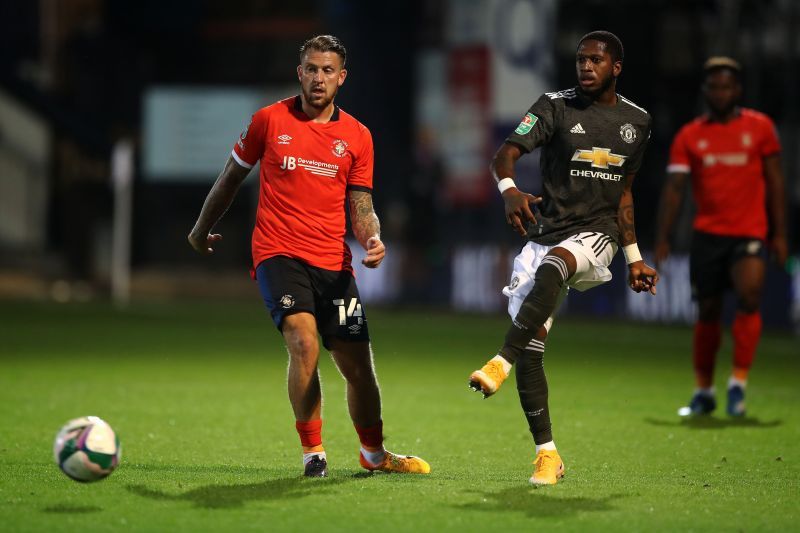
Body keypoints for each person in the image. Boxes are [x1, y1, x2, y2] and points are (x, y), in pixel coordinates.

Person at [188, 35, 430, 478]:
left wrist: (372, 238)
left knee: (359, 369)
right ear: (300, 72)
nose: (319, 78)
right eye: (311, 69)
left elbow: (361, 205)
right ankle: (312, 452)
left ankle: (374, 455)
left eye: (328, 71)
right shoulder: (268, 120)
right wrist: (201, 229)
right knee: (304, 344)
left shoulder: (357, 136)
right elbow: (229, 179)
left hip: (332, 262)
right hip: (277, 253)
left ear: (342, 78)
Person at [467, 31, 659, 485]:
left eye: (596, 60)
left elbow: (624, 194)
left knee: (557, 265)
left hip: (596, 235)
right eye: (580, 60)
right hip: (544, 233)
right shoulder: (554, 106)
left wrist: (633, 256)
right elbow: (505, 154)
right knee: (533, 348)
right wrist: (510, 190)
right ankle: (548, 454)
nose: (585, 67)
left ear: (616, 67)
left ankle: (499, 360)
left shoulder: (637, 121)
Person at [654, 57, 788, 418]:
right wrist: (663, 236)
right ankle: (704, 391)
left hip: (750, 232)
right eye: (713, 86)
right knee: (708, 312)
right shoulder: (690, 135)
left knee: (750, 296)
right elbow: (675, 190)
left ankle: (738, 384)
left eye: (726, 86)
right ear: (705, 92)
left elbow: (776, 183)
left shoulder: (760, 128)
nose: (720, 92)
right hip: (707, 235)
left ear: (737, 90)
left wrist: (780, 235)